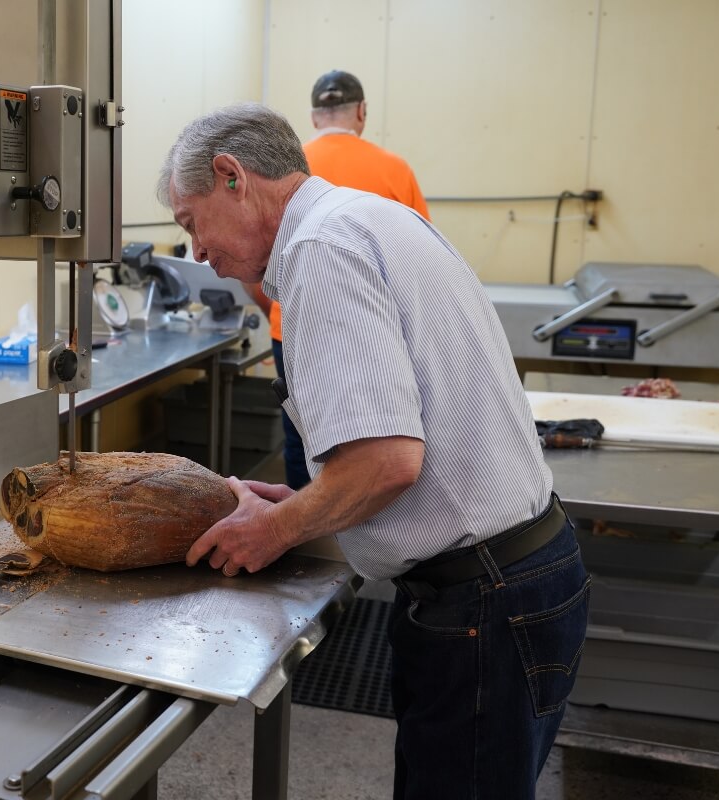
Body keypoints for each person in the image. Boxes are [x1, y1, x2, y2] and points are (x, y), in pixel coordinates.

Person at [158, 103, 589, 799]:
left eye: (190, 223)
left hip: (485, 601)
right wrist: (307, 504)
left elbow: (387, 462)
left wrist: (274, 528)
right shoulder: (370, 218)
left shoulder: (320, 251)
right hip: (517, 580)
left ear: (231, 176)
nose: (197, 253)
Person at [249, 69, 429, 491]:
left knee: (305, 440)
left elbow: (251, 258)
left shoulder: (284, 172)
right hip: (378, 332)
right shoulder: (394, 169)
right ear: (362, 112)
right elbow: (415, 259)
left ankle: (302, 534)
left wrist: (277, 310)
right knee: (381, 440)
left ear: (313, 117)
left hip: (293, 329)